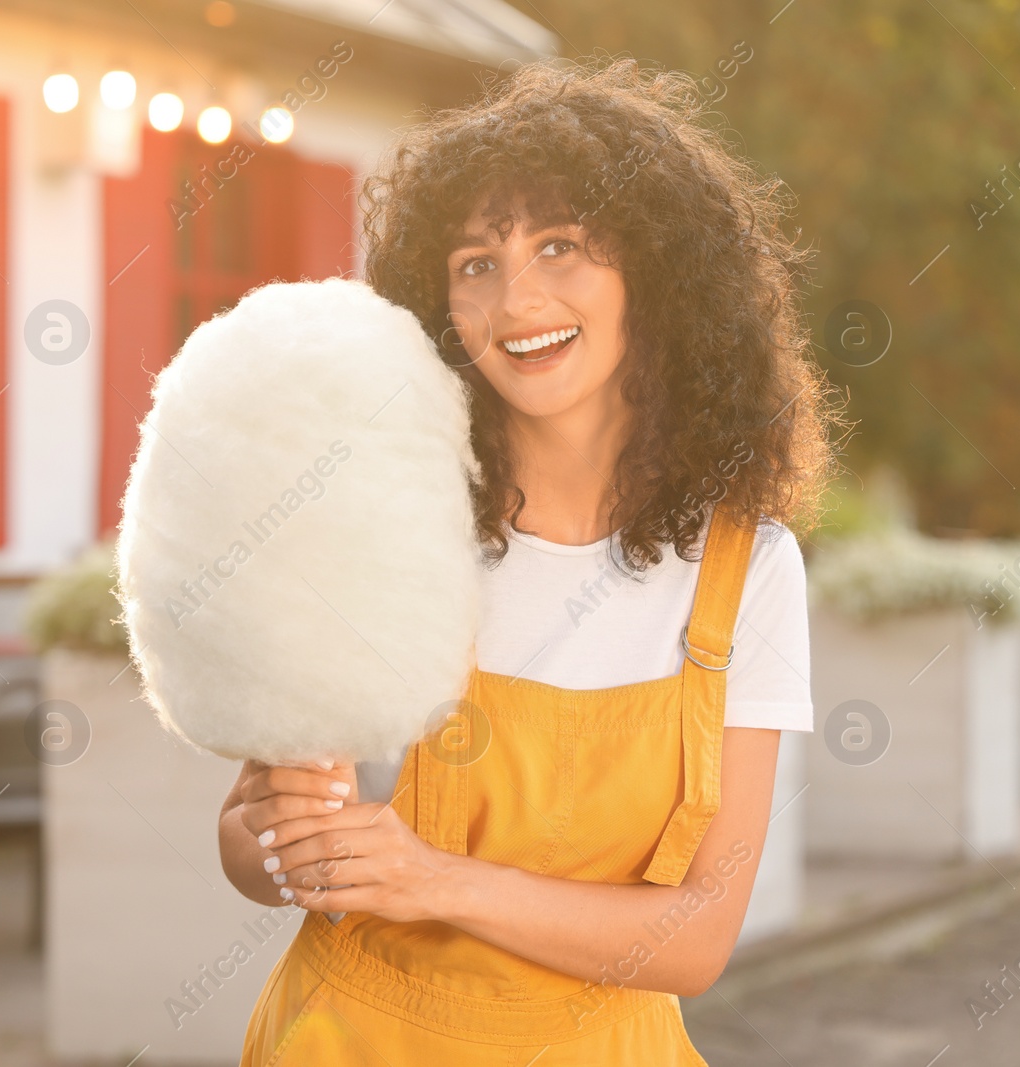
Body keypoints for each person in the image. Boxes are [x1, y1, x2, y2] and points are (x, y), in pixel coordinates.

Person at [218, 57, 840, 1065]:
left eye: (561, 246)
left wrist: (433, 880)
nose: (516, 299)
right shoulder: (382, 525)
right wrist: (285, 838)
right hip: (347, 1037)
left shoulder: (743, 566)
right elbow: (247, 847)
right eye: (474, 263)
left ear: (658, 273)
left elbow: (697, 936)